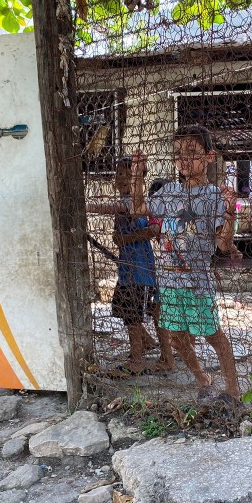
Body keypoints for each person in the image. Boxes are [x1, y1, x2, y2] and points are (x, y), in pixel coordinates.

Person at [128, 125, 240, 398]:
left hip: (196, 283)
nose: (184, 159)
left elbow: (224, 245)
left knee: (213, 336)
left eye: (192, 152)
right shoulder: (168, 193)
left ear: (209, 157)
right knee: (176, 338)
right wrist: (137, 177)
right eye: (178, 153)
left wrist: (230, 214)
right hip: (168, 282)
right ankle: (203, 379)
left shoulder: (213, 195)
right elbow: (138, 209)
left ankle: (234, 391)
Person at [86, 157, 175, 376]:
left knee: (135, 314)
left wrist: (84, 206)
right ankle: (151, 348)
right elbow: (117, 237)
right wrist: (123, 239)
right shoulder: (127, 203)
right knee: (132, 310)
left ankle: (138, 360)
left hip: (140, 268)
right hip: (129, 268)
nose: (122, 179)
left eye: (129, 176)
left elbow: (148, 231)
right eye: (119, 175)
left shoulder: (136, 203)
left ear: (140, 180)